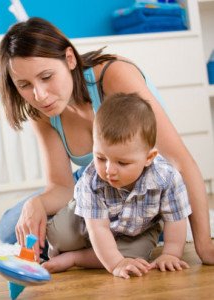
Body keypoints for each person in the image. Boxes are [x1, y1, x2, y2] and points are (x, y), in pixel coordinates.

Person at [0, 17, 214, 265]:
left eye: (46, 76)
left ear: (69, 59)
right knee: (9, 227)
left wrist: (204, 245)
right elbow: (62, 186)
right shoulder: (41, 112)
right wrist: (36, 204)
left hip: (145, 181)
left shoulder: (113, 75)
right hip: (96, 180)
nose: (39, 95)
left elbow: (180, 162)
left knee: (153, 219)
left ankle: (139, 228)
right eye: (24, 85)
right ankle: (109, 233)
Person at [45, 92, 191, 278]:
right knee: (59, 236)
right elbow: (98, 228)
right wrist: (115, 264)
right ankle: (52, 236)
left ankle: (75, 258)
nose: (109, 170)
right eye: (100, 158)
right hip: (87, 220)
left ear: (149, 158)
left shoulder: (167, 177)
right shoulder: (91, 180)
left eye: (122, 163)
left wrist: (170, 253)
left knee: (135, 257)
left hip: (137, 230)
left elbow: (176, 219)